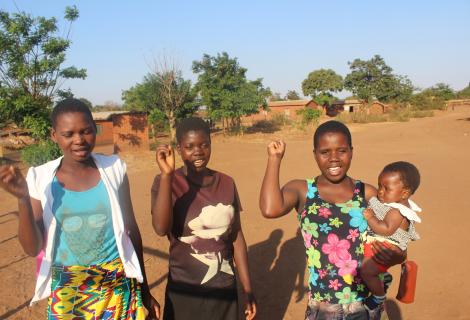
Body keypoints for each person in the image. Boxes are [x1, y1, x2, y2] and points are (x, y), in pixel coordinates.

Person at [0, 98, 159, 319]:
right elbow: (32, 248)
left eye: (86, 131)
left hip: (118, 286)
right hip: (68, 291)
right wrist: (23, 199)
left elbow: (132, 232)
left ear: (95, 129)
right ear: (54, 135)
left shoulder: (114, 169)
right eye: (68, 134)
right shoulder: (41, 178)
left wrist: (144, 290)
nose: (79, 140)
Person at [259, 120, 406, 320]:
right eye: (325, 152)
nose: (334, 159)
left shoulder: (367, 193)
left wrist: (399, 255)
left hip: (364, 303)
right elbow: (270, 209)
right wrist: (274, 159)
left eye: (342, 151)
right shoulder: (303, 190)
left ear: (352, 151)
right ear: (315, 154)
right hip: (323, 305)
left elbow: (397, 232)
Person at [151, 117, 256, 320]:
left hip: (223, 288)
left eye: (204, 145)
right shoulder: (167, 183)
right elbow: (161, 228)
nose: (198, 151)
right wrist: (166, 176)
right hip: (184, 290)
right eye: (189, 146)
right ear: (178, 149)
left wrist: (247, 288)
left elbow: (236, 237)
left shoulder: (226, 183)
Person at [361, 161, 422, 311]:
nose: (380, 191)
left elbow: (386, 229)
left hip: (385, 246)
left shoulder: (397, 211)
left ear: (404, 193)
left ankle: (378, 297)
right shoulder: (393, 204)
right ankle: (384, 277)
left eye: (386, 188)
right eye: (379, 186)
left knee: (366, 271)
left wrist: (370, 218)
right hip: (382, 245)